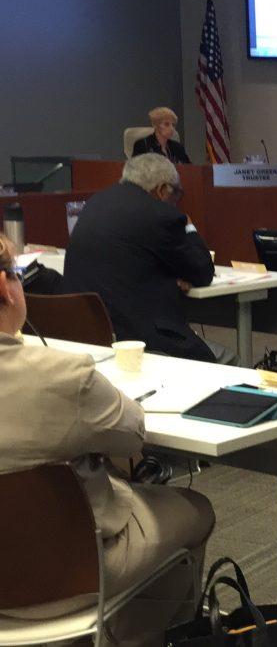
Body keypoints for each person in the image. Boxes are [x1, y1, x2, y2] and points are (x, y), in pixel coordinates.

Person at [0, 232, 215, 646]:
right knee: (195, 509)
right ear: (7, 291)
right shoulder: (65, 376)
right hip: (72, 576)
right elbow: (133, 435)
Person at [63, 153, 231, 363]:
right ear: (162, 190)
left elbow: (133, 259)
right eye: (177, 195)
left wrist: (169, 274)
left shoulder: (95, 204)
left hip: (89, 336)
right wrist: (188, 224)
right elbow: (203, 271)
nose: (176, 203)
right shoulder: (159, 215)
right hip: (141, 342)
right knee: (232, 360)